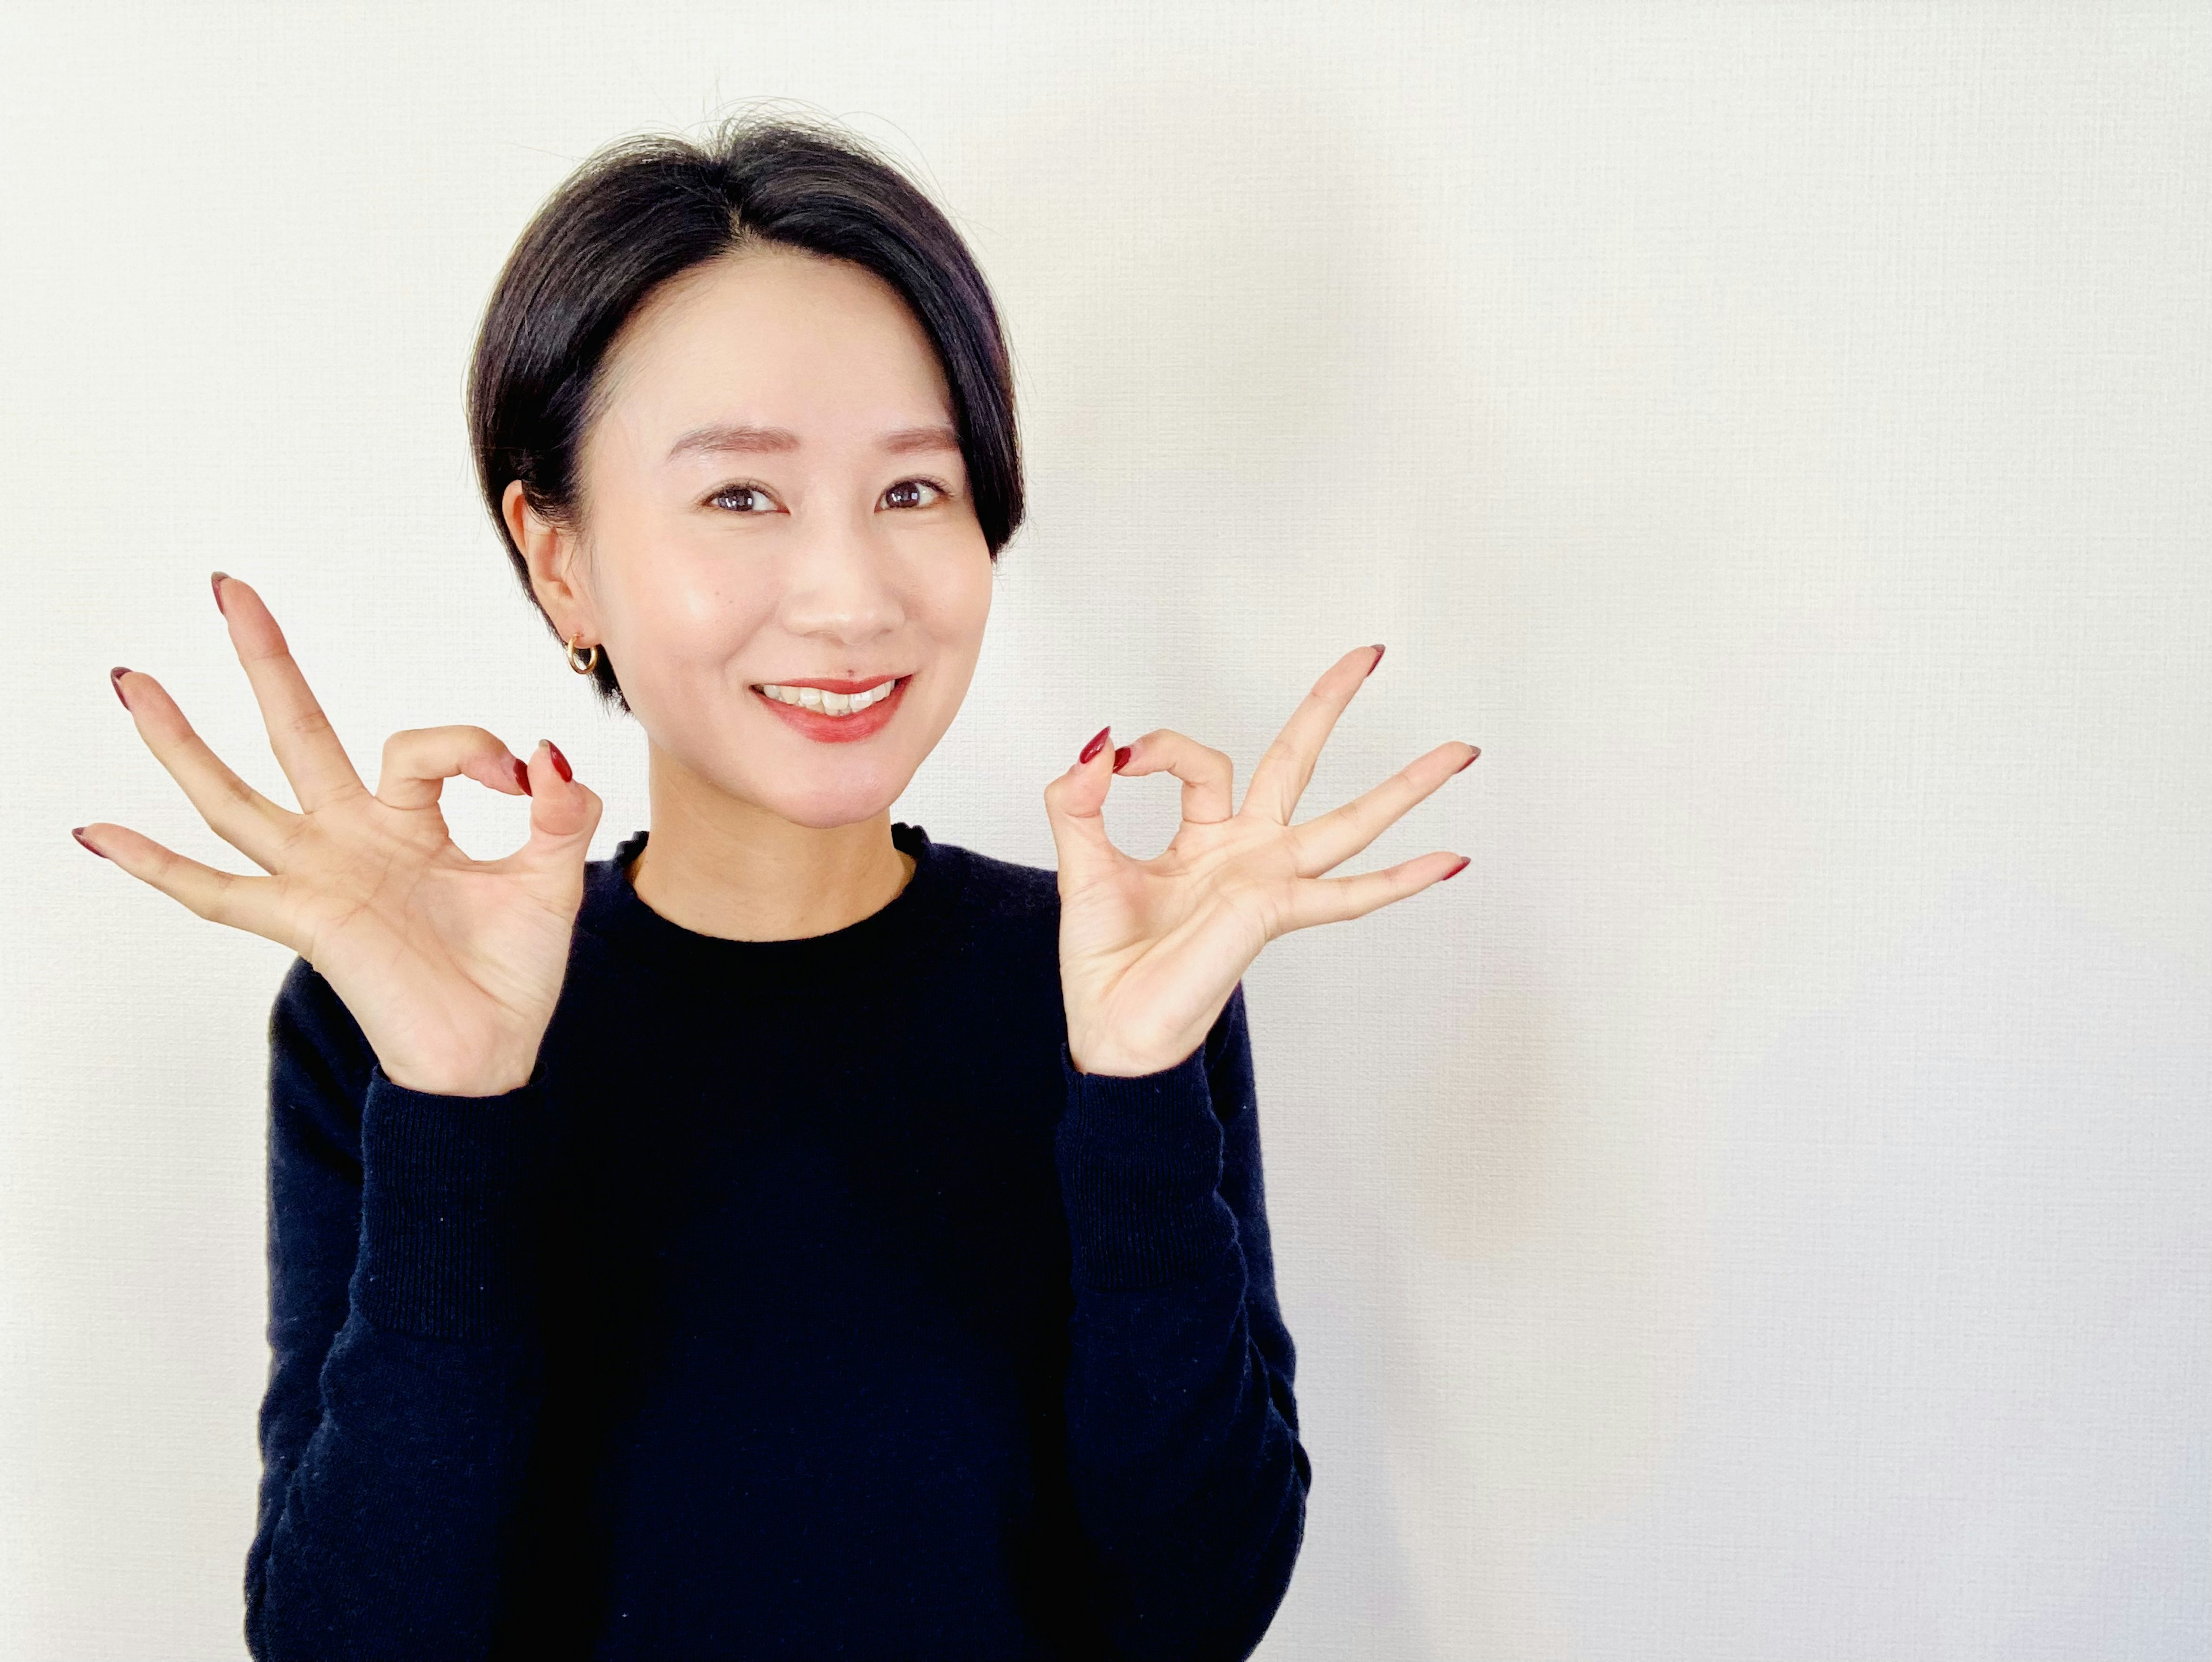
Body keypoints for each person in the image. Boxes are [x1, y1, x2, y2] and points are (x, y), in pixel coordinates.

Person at [74, 111, 1479, 1661]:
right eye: (742, 498)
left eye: (914, 492)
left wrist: (1137, 1090)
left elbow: (1191, 1609)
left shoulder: (1111, 975)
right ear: (560, 560)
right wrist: (458, 1111)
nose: (849, 594)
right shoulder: (394, 1013)